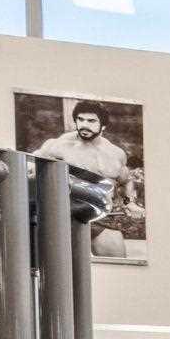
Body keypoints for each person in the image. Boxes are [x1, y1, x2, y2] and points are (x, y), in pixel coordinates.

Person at [29, 102, 144, 259]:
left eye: (91, 121)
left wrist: (129, 202)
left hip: (98, 215)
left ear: (103, 126)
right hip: (62, 214)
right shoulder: (58, 146)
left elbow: (125, 181)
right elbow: (31, 167)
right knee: (57, 267)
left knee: (117, 260)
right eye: (80, 119)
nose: (84, 125)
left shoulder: (116, 154)